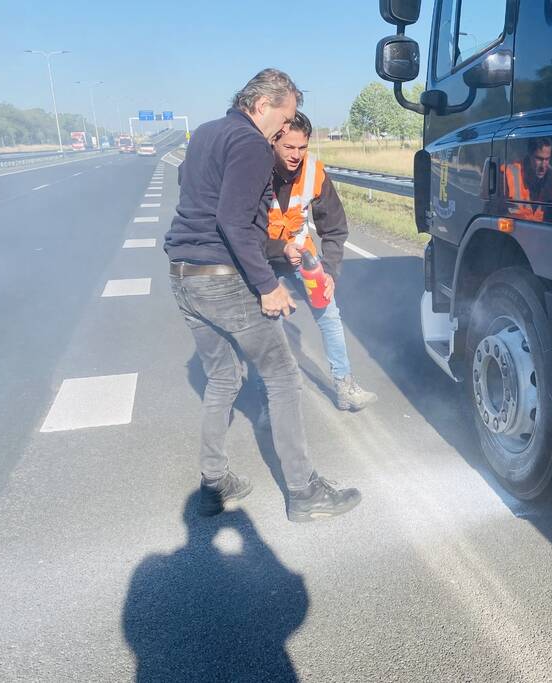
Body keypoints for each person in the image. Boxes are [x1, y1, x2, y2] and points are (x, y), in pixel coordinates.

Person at [164, 68, 360, 522]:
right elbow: (233, 222)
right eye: (285, 116)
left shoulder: (207, 134)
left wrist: (278, 248)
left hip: (184, 275)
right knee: (283, 378)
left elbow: (207, 209)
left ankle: (214, 484)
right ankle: (304, 492)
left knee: (223, 380)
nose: (283, 127)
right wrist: (268, 287)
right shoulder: (251, 142)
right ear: (262, 105)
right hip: (222, 276)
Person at [265, 112, 377, 411]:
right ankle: (269, 395)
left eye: (302, 148)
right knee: (263, 322)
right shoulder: (255, 167)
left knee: (328, 312)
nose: (296, 155)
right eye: (289, 147)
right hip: (260, 255)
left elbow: (335, 227)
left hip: (301, 254)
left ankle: (345, 386)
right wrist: (277, 248)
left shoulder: (313, 171)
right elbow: (239, 227)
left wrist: (328, 271)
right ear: (274, 141)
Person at [500, 136, 552, 222]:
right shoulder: (510, 173)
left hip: (543, 233)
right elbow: (492, 214)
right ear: (530, 154)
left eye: (547, 159)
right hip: (513, 231)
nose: (543, 166)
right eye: (539, 159)